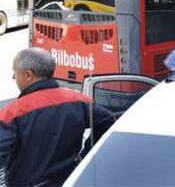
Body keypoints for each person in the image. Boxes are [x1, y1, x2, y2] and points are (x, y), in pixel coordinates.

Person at [0, 48, 115, 186]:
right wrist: (84, 159)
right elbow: (108, 121)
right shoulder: (79, 101)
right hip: (70, 181)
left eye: (15, 71)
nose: (13, 77)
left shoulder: (11, 114)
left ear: (28, 75)